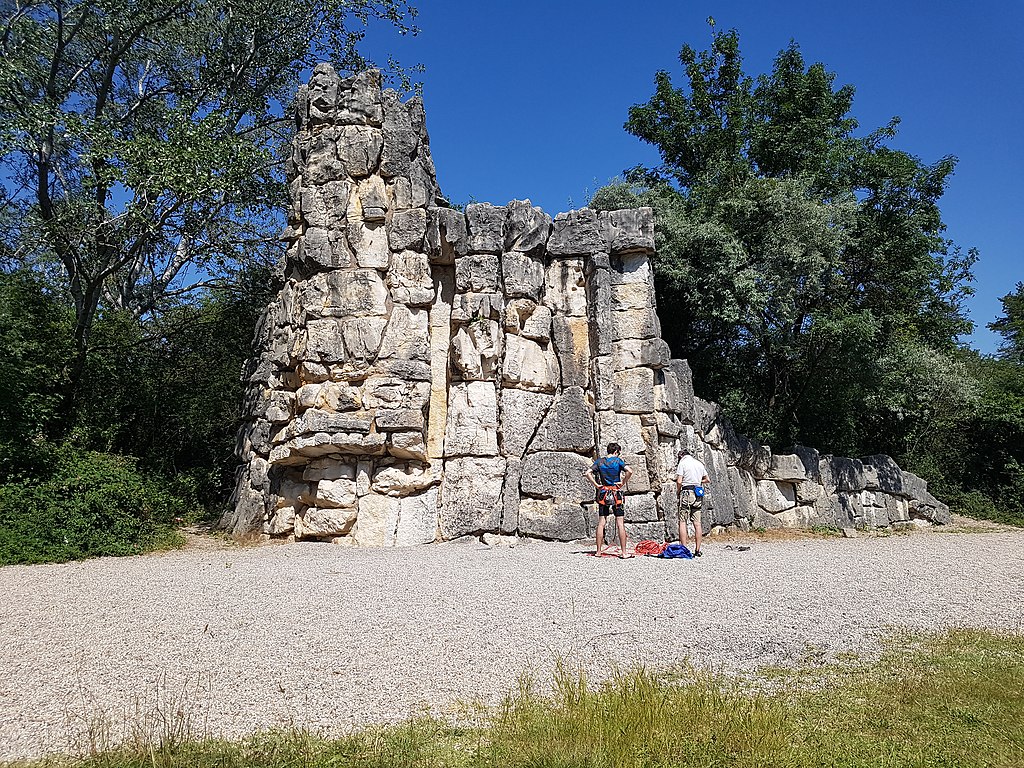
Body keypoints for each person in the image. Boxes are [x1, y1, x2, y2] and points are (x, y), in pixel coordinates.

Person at [586, 443, 633, 558]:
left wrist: (597, 485)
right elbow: (630, 471)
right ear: (616, 451)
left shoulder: (600, 462)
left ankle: (598, 552)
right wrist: (622, 482)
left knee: (601, 522)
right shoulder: (618, 461)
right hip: (616, 493)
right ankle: (624, 552)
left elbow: (587, 473)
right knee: (620, 523)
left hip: (603, 493)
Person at [675, 448, 710, 557]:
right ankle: (697, 550)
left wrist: (678, 491)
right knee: (697, 523)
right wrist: (698, 481)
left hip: (686, 492)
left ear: (681, 456)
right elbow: (707, 479)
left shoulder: (683, 463)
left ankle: (684, 549)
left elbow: (679, 481)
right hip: (698, 493)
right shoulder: (699, 463)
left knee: (682, 521)